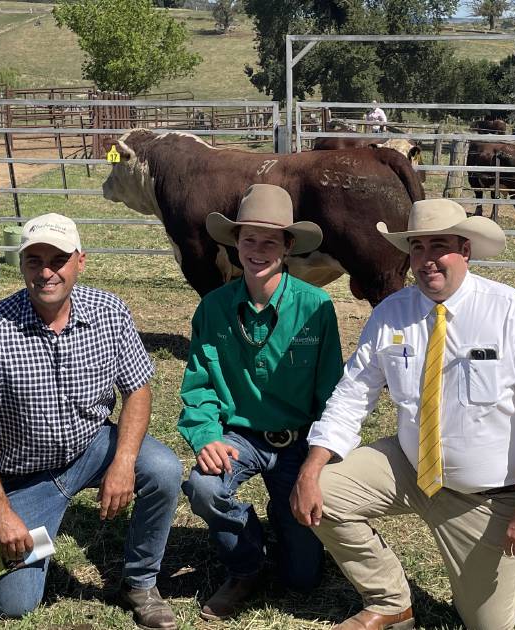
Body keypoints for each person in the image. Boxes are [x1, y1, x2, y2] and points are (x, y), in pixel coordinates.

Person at [290, 198, 515, 630]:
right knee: (322, 492)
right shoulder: (391, 313)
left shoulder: (509, 311)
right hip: (412, 465)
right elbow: (351, 395)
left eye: (439, 246)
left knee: (485, 623)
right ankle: (390, 600)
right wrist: (311, 469)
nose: (427, 260)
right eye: (417, 248)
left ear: (466, 250)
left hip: (488, 494)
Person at [0, 213, 182, 628]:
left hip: (93, 446)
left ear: (80, 262)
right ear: (22, 266)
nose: (46, 271)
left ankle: (140, 581)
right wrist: (0, 513)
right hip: (25, 474)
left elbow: (138, 390)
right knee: (14, 604)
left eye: (58, 259)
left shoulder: (109, 311)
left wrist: (123, 461)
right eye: (34, 260)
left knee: (163, 468)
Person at [178, 185, 343, 619]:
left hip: (298, 439)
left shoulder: (317, 308)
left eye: (270, 240)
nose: (257, 249)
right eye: (248, 238)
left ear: (288, 246)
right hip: (241, 436)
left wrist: (319, 462)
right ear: (235, 243)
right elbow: (199, 385)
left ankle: (287, 519)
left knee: (303, 579)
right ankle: (246, 562)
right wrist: (207, 435)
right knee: (204, 486)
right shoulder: (213, 309)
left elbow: (332, 391)